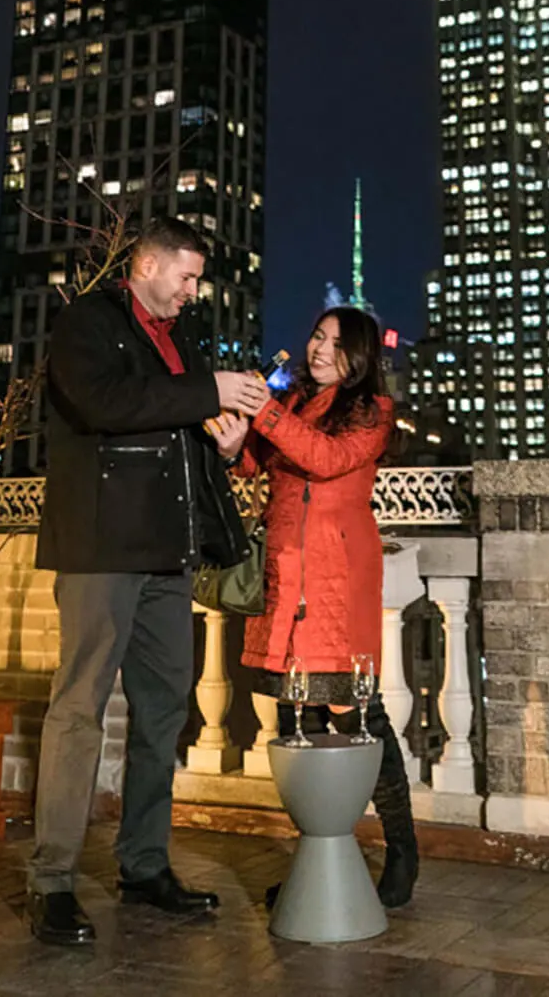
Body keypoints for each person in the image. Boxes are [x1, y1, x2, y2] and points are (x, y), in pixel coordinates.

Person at [26, 216, 267, 946]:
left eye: (197, 281)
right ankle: (53, 883)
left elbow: (179, 432)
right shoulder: (86, 324)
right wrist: (206, 389)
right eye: (186, 277)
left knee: (164, 714)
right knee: (78, 711)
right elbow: (103, 404)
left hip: (169, 556)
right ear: (149, 265)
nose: (193, 293)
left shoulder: (182, 340)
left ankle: (143, 865)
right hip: (101, 550)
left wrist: (224, 446)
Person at [218, 306, 420, 910]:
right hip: (286, 579)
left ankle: (401, 849)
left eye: (335, 343)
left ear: (360, 356)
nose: (320, 349)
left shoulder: (373, 412)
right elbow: (256, 459)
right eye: (316, 336)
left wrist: (266, 413)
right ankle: (320, 855)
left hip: (337, 580)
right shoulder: (297, 403)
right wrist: (233, 444)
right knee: (293, 724)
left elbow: (324, 460)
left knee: (359, 718)